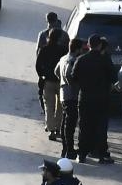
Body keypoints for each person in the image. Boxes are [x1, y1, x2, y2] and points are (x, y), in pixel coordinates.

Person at [71, 34, 117, 164]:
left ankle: (82, 154)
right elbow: (114, 77)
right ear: (100, 45)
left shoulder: (81, 59)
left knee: (84, 126)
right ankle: (101, 155)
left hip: (85, 97)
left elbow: (73, 77)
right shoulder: (105, 60)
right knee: (101, 127)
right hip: (102, 97)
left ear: (88, 45)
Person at [55, 38, 86, 155]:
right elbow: (68, 74)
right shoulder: (72, 60)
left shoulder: (63, 58)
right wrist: (73, 85)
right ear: (77, 49)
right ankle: (69, 149)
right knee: (70, 124)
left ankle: (65, 148)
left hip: (63, 93)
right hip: (71, 95)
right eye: (81, 49)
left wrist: (63, 82)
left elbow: (56, 71)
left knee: (65, 122)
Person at [36, 28, 68, 136]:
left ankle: (51, 129)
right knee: (60, 107)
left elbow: (38, 65)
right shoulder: (63, 50)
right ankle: (58, 128)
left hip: (48, 81)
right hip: (60, 81)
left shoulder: (44, 49)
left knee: (49, 107)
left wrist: (42, 75)